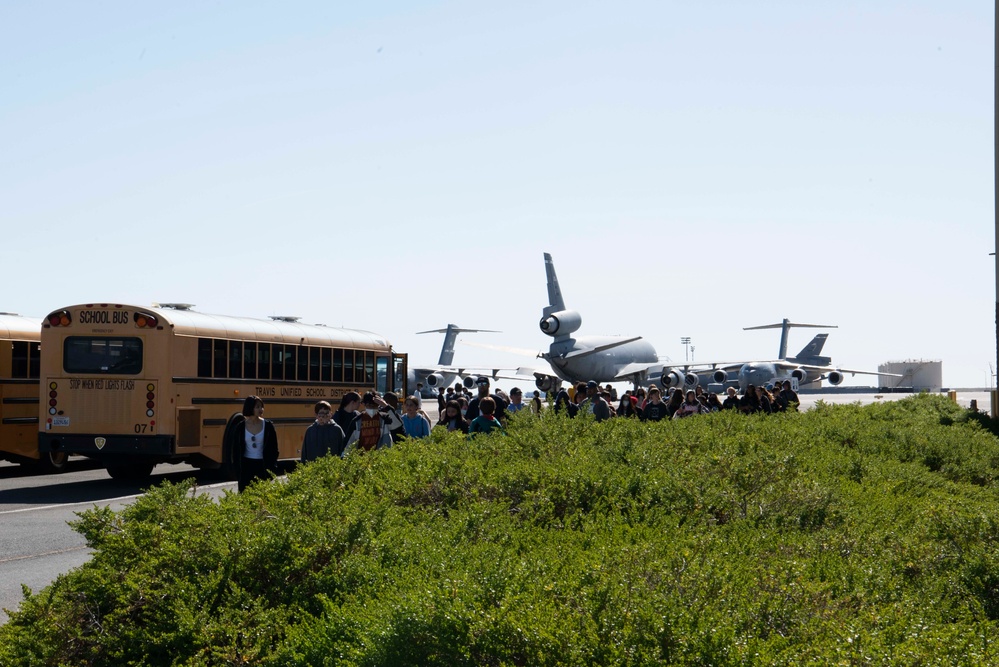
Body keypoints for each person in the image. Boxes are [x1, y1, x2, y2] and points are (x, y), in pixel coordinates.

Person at [234, 395, 278, 492]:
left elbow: (274, 449)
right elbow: (235, 449)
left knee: (261, 498)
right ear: (250, 408)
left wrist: (272, 469)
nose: (261, 409)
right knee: (246, 498)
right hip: (246, 466)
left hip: (262, 466)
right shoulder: (240, 427)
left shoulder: (268, 426)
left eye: (261, 407)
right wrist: (237, 470)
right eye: (257, 407)